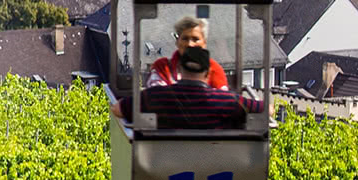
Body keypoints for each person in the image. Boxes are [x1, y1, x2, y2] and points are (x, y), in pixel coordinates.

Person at [112, 46, 264, 129]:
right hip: (215, 169)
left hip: (163, 171)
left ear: (178, 69)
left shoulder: (157, 96)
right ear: (207, 73)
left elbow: (118, 109)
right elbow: (264, 109)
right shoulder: (226, 101)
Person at [148, 17, 229, 90]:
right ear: (177, 42)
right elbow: (154, 97)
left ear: (204, 43)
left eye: (195, 39)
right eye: (185, 38)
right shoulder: (163, 67)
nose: (190, 44)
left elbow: (222, 101)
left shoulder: (214, 69)